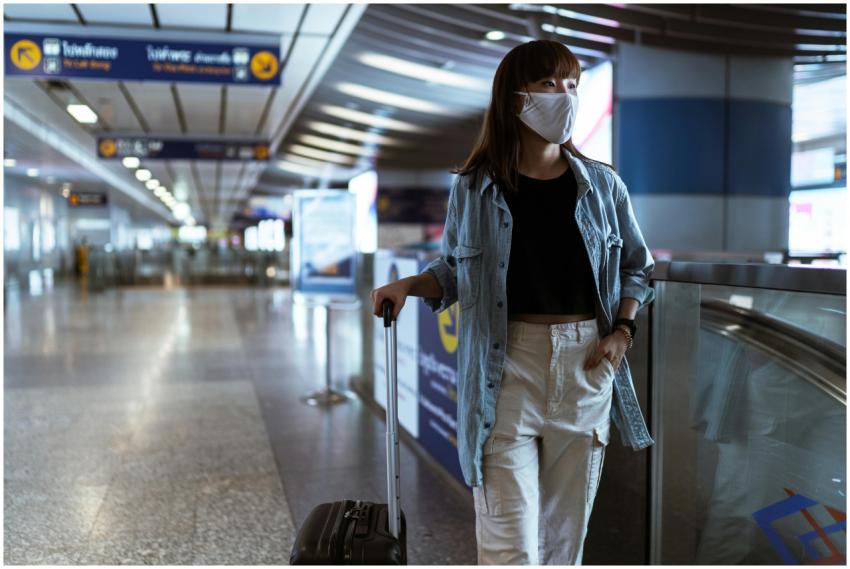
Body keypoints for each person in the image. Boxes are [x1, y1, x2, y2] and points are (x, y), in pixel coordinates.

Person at [370, 39, 656, 565]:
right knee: (510, 546)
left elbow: (638, 268)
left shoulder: (605, 188)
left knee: (563, 546)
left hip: (586, 367)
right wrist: (408, 285)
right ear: (514, 98)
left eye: (571, 85)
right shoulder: (476, 188)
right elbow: (455, 271)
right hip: (505, 371)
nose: (563, 96)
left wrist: (622, 333)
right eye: (549, 84)